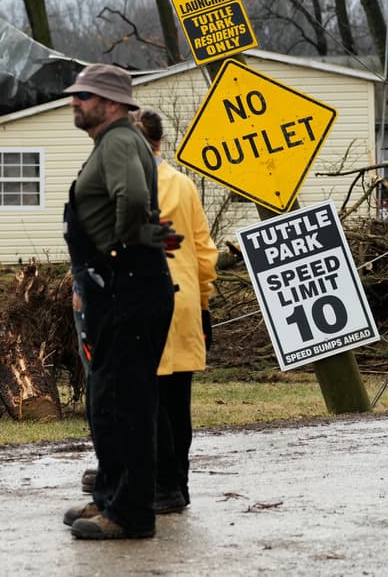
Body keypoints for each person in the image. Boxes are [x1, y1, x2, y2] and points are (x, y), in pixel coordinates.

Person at [60, 64, 176, 540]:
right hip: (118, 287)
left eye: (83, 96)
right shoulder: (112, 143)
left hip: (129, 285)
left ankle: (129, 514)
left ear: (110, 103)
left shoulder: (122, 141)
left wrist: (112, 254)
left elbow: (130, 201)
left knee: (126, 403)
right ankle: (109, 496)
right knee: (108, 400)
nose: (74, 102)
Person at [132, 108, 218, 513]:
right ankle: (178, 485)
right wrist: (204, 305)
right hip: (184, 302)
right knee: (177, 401)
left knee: (149, 399)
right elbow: (204, 252)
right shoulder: (184, 185)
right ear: (161, 143)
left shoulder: (130, 185)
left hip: (146, 300)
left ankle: (162, 487)